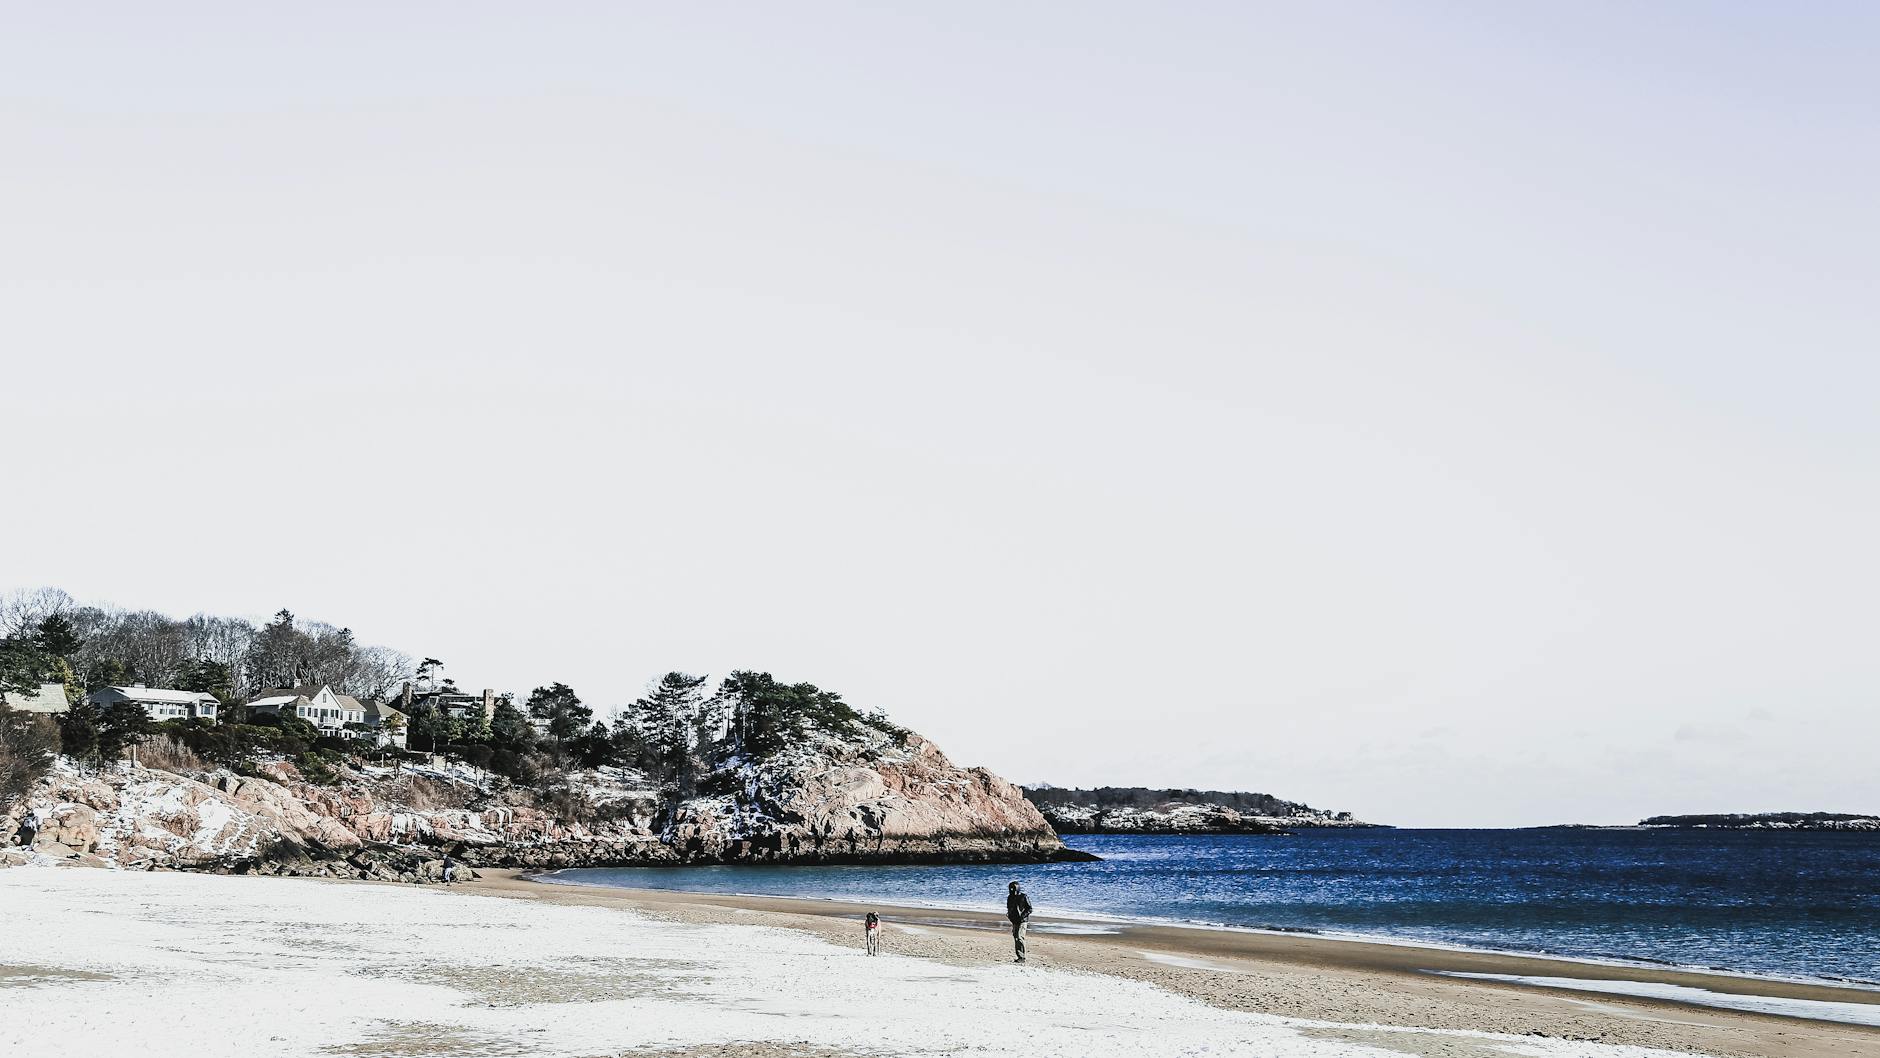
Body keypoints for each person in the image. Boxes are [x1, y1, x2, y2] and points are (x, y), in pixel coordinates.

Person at [1006, 881, 1032, 963]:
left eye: (1013, 888)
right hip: (1014, 920)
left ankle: (1022, 957)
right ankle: (1019, 956)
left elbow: (1029, 909)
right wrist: (1010, 916)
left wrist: (1022, 916)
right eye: (1011, 888)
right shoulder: (1010, 897)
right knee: (1016, 937)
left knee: (1019, 937)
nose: (1012, 890)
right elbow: (1009, 908)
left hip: (1022, 921)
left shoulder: (1024, 897)